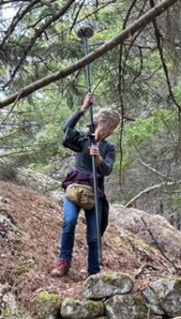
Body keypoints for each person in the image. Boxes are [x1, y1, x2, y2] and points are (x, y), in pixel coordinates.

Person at [50, 93, 120, 277]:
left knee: (94, 236)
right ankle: (64, 262)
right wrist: (83, 109)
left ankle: (94, 272)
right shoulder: (83, 138)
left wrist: (98, 158)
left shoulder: (109, 147)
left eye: (112, 129)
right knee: (69, 222)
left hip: (94, 192)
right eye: (108, 127)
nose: (109, 132)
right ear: (100, 123)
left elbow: (108, 169)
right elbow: (66, 130)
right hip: (75, 186)